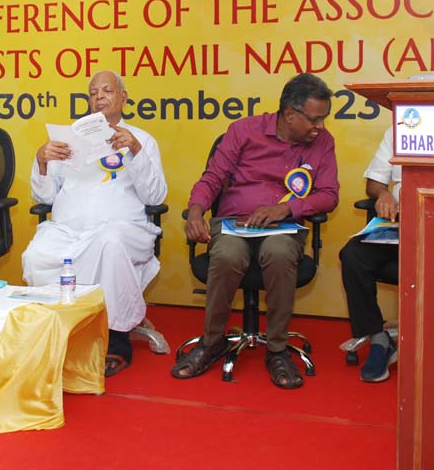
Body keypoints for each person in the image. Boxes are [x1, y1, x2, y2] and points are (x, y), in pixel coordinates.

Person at [171, 73, 339, 389]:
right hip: (234, 223)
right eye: (314, 119)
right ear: (289, 114)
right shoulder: (244, 131)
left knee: (279, 253)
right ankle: (212, 342)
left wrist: (285, 209)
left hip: (283, 227)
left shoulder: (323, 142)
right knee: (226, 255)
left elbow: (329, 195)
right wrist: (195, 211)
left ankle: (277, 349)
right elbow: (212, 177)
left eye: (323, 118)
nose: (320, 126)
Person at [21, 70, 167, 377]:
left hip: (123, 229)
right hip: (69, 231)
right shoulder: (68, 139)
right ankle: (58, 333)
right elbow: (44, 196)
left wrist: (135, 151)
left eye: (107, 91)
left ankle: (115, 339)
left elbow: (155, 195)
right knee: (36, 255)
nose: (99, 97)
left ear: (123, 98)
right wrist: (42, 161)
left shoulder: (142, 139)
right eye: (93, 92)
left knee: (109, 243)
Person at [339, 126, 400, 383]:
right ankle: (378, 337)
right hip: (400, 223)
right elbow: (374, 183)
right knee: (353, 255)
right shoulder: (401, 128)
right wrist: (384, 194)